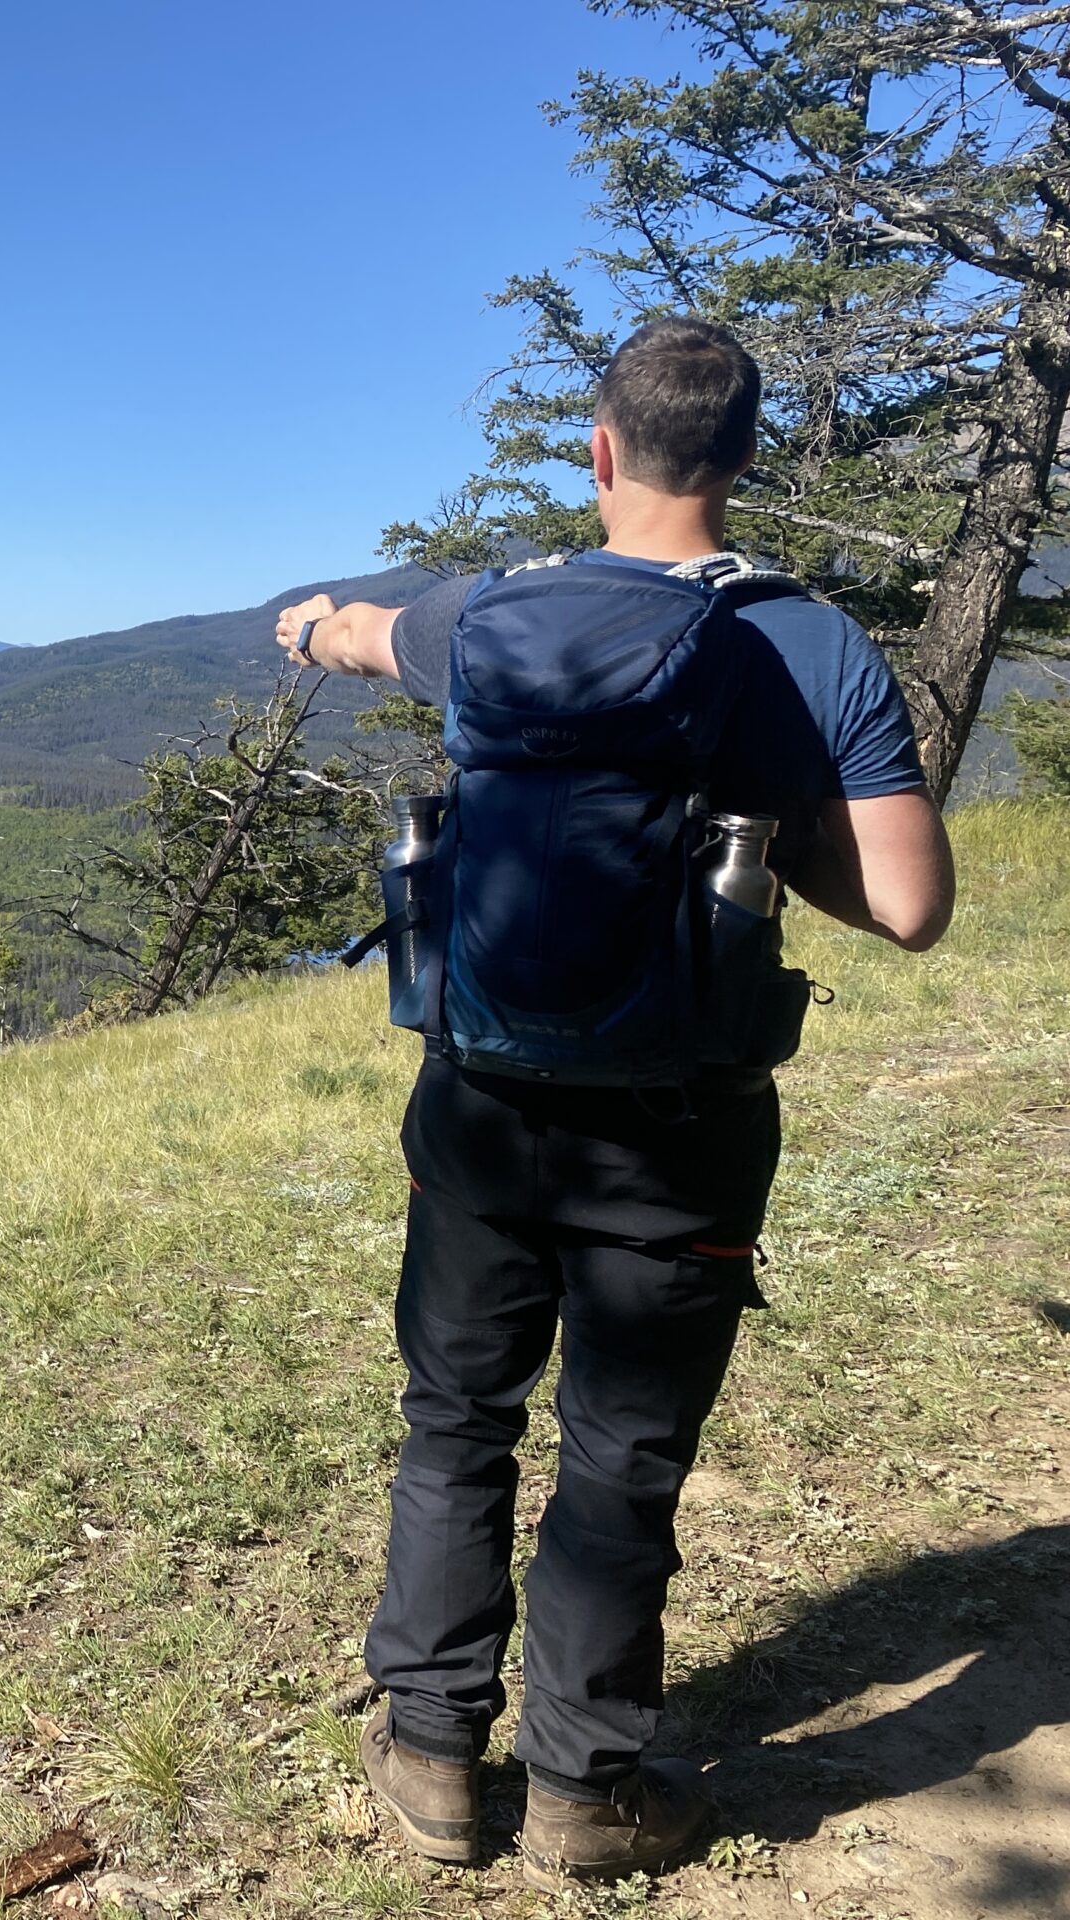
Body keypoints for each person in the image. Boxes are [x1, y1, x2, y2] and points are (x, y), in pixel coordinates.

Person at [271, 316, 954, 1889]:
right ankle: (586, 1788)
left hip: (481, 1103)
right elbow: (910, 907)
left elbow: (359, 634)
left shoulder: (486, 616)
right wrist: (758, 842)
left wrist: (310, 625)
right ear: (744, 455)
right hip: (679, 1131)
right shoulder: (807, 644)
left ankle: (430, 1754)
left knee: (457, 1417)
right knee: (621, 1455)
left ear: (599, 446)